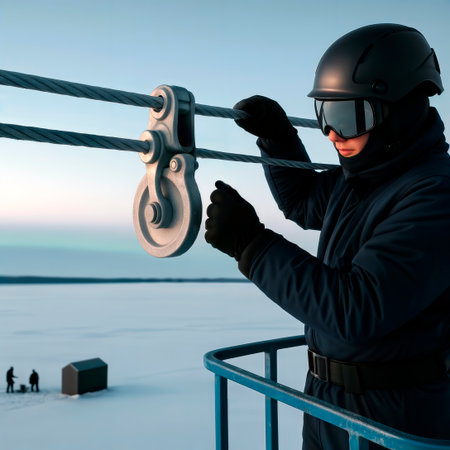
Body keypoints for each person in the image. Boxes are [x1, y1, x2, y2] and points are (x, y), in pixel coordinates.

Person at [204, 23, 450, 448]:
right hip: (327, 402)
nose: (333, 134)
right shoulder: (363, 179)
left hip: (391, 417)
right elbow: (302, 202)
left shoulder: (435, 195)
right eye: (325, 115)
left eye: (348, 116)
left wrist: (252, 246)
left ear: (402, 111)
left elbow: (358, 308)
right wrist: (279, 140)